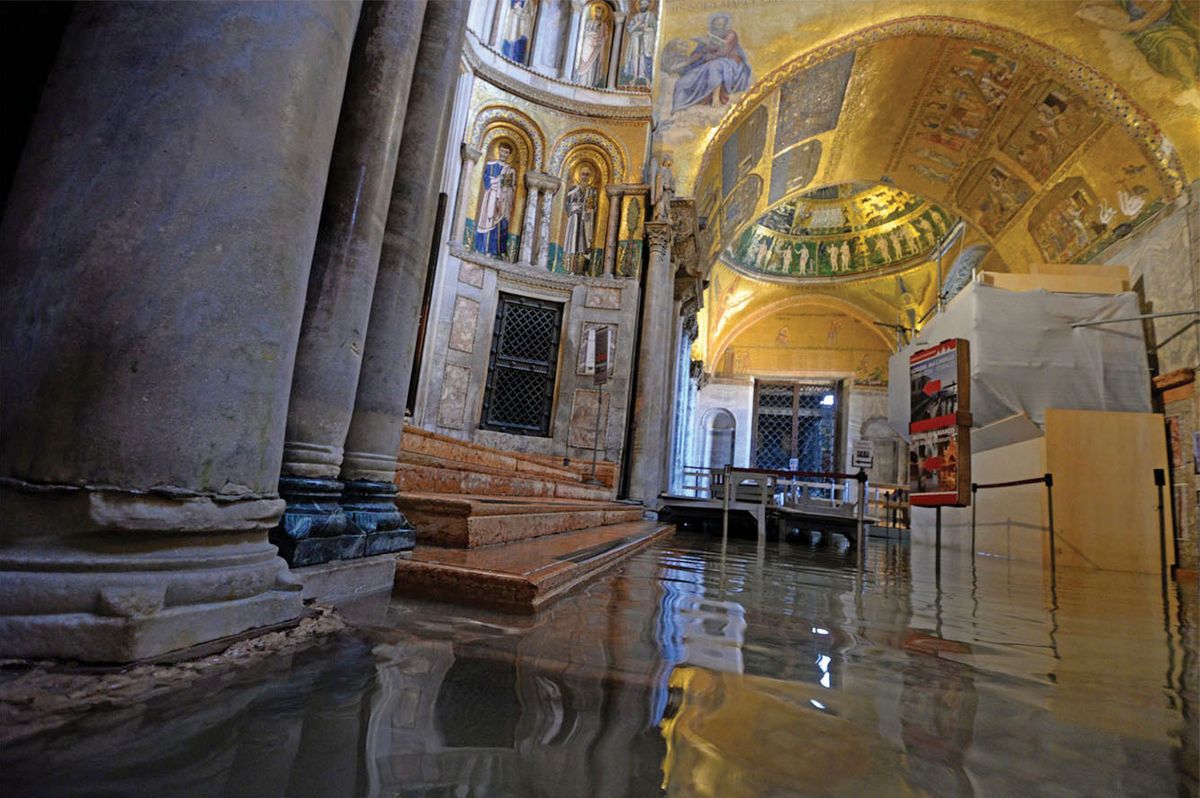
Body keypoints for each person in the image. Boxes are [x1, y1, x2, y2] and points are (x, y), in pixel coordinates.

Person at [670, 13, 751, 114]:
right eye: (716, 24)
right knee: (683, 82)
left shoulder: (731, 34)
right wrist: (682, 64)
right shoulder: (708, 37)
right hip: (708, 63)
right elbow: (698, 54)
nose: (718, 26)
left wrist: (710, 52)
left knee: (715, 66)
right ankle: (678, 110)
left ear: (725, 25)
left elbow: (724, 51)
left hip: (731, 63)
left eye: (720, 24)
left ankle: (715, 98)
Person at [474, 143, 516, 259]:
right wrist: (494, 182)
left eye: (506, 152)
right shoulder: (490, 165)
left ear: (509, 154)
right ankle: (480, 248)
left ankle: (492, 251)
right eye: (502, 151)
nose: (504, 154)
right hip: (489, 198)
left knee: (498, 223)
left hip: (501, 200)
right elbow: (486, 180)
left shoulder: (509, 170)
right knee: (485, 220)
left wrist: (500, 199)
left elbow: (506, 188)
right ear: (498, 151)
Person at [563, 165, 598, 274]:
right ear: (579, 175)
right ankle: (569, 268)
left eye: (587, 175)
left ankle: (582, 269)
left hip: (586, 221)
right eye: (583, 174)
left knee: (583, 244)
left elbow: (594, 207)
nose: (585, 177)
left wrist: (589, 209)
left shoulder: (592, 191)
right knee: (572, 242)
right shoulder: (573, 189)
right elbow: (567, 204)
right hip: (574, 218)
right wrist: (576, 208)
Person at [621, 0, 656, 87]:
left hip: (647, 40)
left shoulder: (651, 16)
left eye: (645, 4)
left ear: (648, 5)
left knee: (645, 58)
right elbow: (629, 29)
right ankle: (635, 77)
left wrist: (646, 29)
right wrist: (637, 25)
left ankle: (647, 79)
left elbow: (655, 29)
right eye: (641, 4)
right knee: (635, 58)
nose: (643, 6)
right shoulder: (636, 17)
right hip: (635, 39)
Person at [574, 5, 609, 87]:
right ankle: (581, 80)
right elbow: (584, 32)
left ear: (602, 14)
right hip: (587, 44)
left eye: (599, 13)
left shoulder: (603, 25)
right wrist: (590, 34)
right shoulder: (589, 22)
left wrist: (600, 37)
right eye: (596, 12)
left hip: (596, 46)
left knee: (592, 65)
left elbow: (605, 36)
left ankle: (590, 82)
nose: (597, 14)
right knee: (583, 61)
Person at [501, 0, 534, 65]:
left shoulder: (529, 1)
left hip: (523, 29)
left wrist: (524, 14)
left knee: (520, 49)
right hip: (513, 27)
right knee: (509, 46)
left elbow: (531, 13)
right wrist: (517, 9)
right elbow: (512, 7)